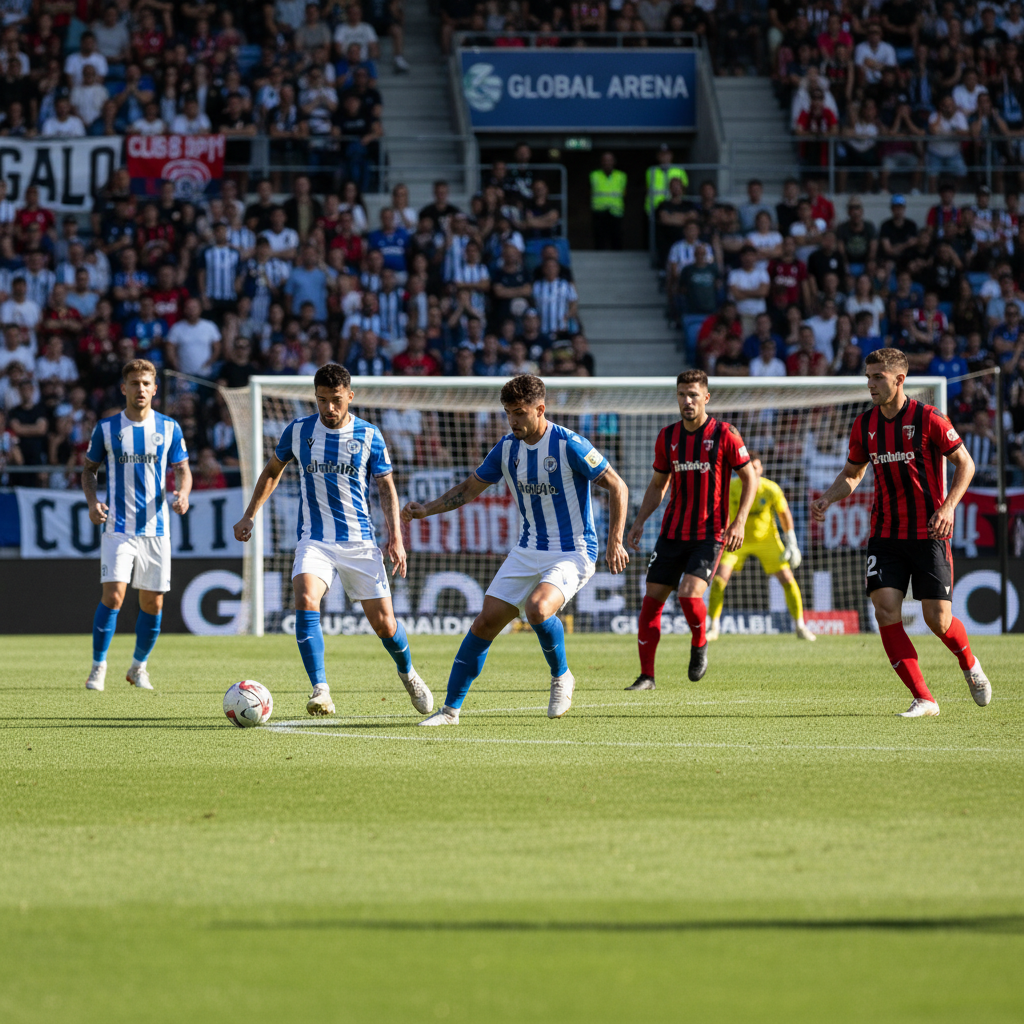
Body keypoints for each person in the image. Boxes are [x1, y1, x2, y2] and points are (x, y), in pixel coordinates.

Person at [401, 373, 629, 725]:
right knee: (484, 624)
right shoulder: (507, 448)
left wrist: (615, 540)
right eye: (509, 412)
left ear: (540, 408)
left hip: (573, 550)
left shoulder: (570, 444)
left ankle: (561, 676)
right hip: (527, 549)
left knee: (538, 608)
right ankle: (450, 712)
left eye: (520, 412)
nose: (513, 420)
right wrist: (427, 509)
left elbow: (617, 486)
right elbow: (471, 487)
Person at [233, 363, 433, 718]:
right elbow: (272, 471)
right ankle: (320, 689)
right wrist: (250, 513)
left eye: (336, 400)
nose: (328, 408)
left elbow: (386, 488)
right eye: (322, 400)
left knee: (385, 625)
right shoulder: (298, 431)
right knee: (306, 598)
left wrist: (396, 539)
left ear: (350, 397)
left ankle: (408, 672)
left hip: (359, 542)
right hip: (315, 540)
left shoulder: (369, 435)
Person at [811, 347, 992, 717]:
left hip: (928, 531)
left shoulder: (929, 419)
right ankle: (925, 698)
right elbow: (852, 474)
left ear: (899, 379)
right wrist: (828, 498)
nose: (871, 384)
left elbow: (965, 464)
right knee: (885, 609)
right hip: (886, 533)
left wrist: (948, 507)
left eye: (878, 377)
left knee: (937, 621)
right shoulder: (864, 425)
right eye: (868, 377)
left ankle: (970, 664)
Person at [623, 370, 756, 691]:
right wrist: (639, 520)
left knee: (688, 594)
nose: (687, 400)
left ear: (706, 398)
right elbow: (658, 484)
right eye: (682, 394)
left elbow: (750, 478)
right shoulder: (667, 436)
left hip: (710, 534)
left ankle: (699, 642)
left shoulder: (725, 434)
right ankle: (647, 676)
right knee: (651, 601)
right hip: (671, 532)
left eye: (693, 394)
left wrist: (738, 522)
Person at [82, 360, 191, 693]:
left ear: (155, 389)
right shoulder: (106, 429)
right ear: (123, 388)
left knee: (152, 604)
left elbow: (183, 469)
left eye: (146, 383)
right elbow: (89, 471)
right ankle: (99, 666)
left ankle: (138, 667)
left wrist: (183, 494)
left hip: (156, 530)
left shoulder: (170, 428)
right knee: (113, 596)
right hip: (118, 527)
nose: (140, 389)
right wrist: (92, 502)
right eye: (134, 383)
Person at [706, 452, 816, 642]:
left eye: (756, 467)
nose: (753, 471)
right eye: (748, 468)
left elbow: (784, 514)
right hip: (736, 540)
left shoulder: (770, 488)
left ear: (761, 469)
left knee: (788, 579)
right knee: (718, 580)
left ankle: (800, 626)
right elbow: (716, 511)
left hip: (767, 540)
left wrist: (792, 542)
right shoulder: (731, 487)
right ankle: (713, 626)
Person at [589, 151, 627, 251]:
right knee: (599, 237)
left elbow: (623, 193)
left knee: (617, 237)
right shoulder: (594, 175)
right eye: (605, 160)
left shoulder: (621, 176)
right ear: (601, 162)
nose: (607, 163)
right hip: (599, 211)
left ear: (614, 162)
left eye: (610, 160)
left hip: (616, 211)